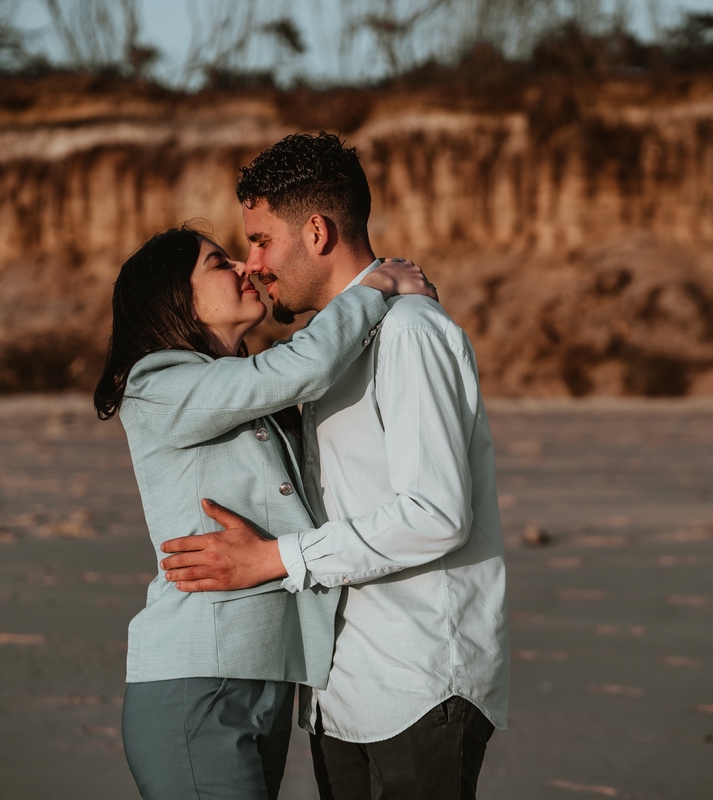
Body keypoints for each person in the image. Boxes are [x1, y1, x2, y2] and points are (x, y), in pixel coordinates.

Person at [160, 132, 510, 800]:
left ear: (316, 231)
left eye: (262, 240)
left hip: (420, 681)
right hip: (340, 691)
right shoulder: (324, 349)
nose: (253, 264)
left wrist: (272, 560)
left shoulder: (408, 332)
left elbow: (435, 515)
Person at [93, 224, 436, 800]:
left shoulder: (242, 392)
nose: (244, 268)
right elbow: (300, 368)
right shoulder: (159, 385)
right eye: (218, 263)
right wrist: (373, 287)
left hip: (268, 681)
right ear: (176, 297)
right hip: (196, 682)